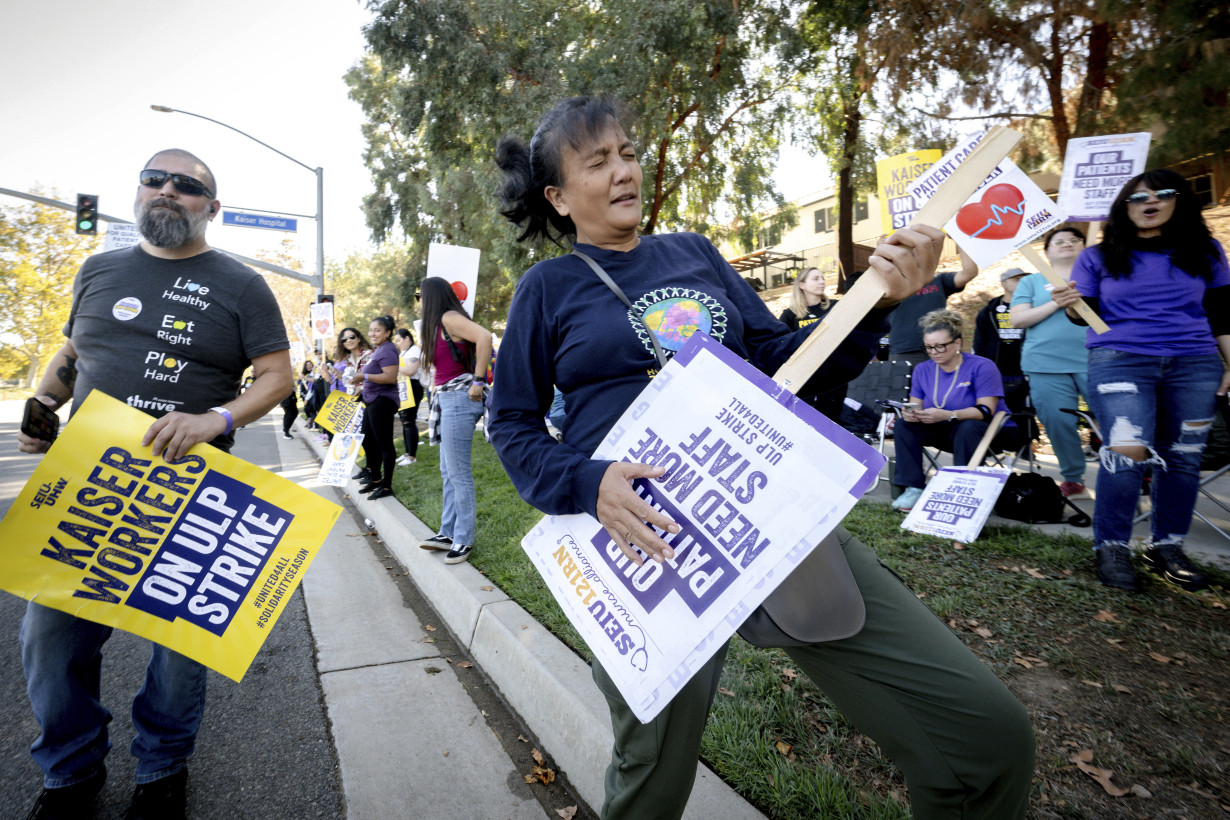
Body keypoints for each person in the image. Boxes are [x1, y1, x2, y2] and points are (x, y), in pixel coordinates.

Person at [489, 95, 1032, 820]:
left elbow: (783, 362)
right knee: (649, 777)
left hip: (762, 513)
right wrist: (588, 484)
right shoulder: (546, 289)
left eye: (628, 152)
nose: (624, 170)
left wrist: (871, 305)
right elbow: (513, 424)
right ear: (559, 195)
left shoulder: (692, 252)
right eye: (598, 161)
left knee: (986, 739)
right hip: (642, 548)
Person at [15, 149, 292, 819]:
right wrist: (44, 403)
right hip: (89, 480)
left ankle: (162, 770)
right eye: (155, 180)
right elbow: (73, 351)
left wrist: (213, 418)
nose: (169, 191)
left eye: (188, 186)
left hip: (191, 485)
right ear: (137, 191)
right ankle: (70, 773)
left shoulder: (241, 284)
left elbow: (277, 376)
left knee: (178, 645)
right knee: (49, 635)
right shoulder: (98, 268)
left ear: (211, 208)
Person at [1052, 170, 1230, 592]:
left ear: (1179, 201)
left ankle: (1166, 546)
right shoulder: (1096, 256)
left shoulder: (1207, 250)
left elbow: (1223, 313)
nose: (1149, 202)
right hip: (1121, 361)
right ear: (1123, 207)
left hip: (1196, 363)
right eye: (1137, 197)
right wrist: (1072, 306)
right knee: (1126, 453)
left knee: (1183, 458)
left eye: (1162, 194)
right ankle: (1111, 546)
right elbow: (1084, 314)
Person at [891, 309, 1020, 512]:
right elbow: (916, 406)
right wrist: (911, 414)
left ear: (957, 343)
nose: (934, 352)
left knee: (968, 427)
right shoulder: (922, 369)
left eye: (940, 346)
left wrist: (949, 414)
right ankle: (914, 488)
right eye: (929, 348)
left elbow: (985, 411)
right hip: (946, 429)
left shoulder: (982, 366)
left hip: (993, 431)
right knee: (904, 426)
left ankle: (963, 489)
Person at [417, 277, 493, 565]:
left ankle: (463, 538)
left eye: (420, 295)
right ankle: (448, 532)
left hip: (461, 396)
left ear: (432, 296)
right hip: (447, 398)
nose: (419, 301)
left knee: (458, 473)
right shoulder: (438, 324)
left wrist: (478, 379)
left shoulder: (450, 317)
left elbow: (485, 337)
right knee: (448, 471)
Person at [1009, 228, 1091, 498]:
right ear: (1047, 252)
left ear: (1084, 246)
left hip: (1097, 359)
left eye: (1074, 240)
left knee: (1116, 418)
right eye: (1059, 241)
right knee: (1057, 420)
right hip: (1045, 364)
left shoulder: (1098, 276)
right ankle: (1073, 477)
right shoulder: (1031, 282)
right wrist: (1056, 303)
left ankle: (1135, 473)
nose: (1067, 244)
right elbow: (1018, 320)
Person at [886, 248, 979, 365]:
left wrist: (960, 240)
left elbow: (969, 273)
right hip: (904, 351)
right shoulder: (891, 283)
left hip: (941, 348)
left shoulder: (938, 280)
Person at [778, 267, 845, 420]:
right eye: (815, 279)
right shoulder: (790, 315)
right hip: (803, 376)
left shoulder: (836, 306)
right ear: (802, 285)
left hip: (833, 372)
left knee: (831, 420)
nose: (822, 282)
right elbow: (783, 344)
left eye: (822, 278)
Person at [353, 315, 401, 500]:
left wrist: (364, 377)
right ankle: (375, 479)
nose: (372, 333)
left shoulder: (388, 349)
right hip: (371, 399)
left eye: (377, 330)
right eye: (371, 330)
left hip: (383, 400)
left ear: (387, 332)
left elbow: (390, 377)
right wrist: (361, 385)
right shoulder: (380, 349)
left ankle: (387, 486)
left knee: (384, 445)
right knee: (367, 439)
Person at [974, 267, 1028, 412]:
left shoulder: (1031, 308)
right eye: (1016, 279)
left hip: (1026, 371)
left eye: (1024, 279)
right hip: (997, 371)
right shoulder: (989, 311)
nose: (1022, 282)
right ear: (1003, 283)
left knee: (1025, 412)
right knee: (999, 411)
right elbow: (979, 342)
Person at [394, 327, 424, 465]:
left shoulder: (415, 350)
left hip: (412, 386)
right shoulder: (404, 352)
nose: (398, 343)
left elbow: (410, 370)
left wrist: (393, 367)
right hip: (403, 386)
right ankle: (407, 453)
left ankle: (412, 456)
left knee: (409, 421)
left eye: (399, 340)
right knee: (404, 420)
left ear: (407, 338)